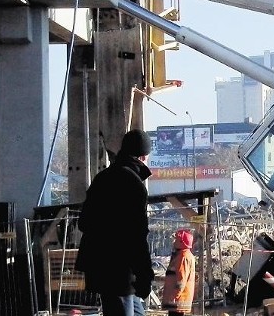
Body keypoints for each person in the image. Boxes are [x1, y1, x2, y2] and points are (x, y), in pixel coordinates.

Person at [76, 129, 155, 316]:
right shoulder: (134, 185)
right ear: (144, 156)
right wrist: (145, 275)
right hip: (121, 272)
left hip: (102, 268)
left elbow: (84, 222)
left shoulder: (102, 178)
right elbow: (137, 236)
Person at [161, 229, 196, 316]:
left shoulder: (183, 257)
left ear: (181, 242)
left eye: (176, 239)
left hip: (178, 301)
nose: (174, 242)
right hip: (178, 301)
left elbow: (181, 280)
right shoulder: (184, 255)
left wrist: (174, 296)